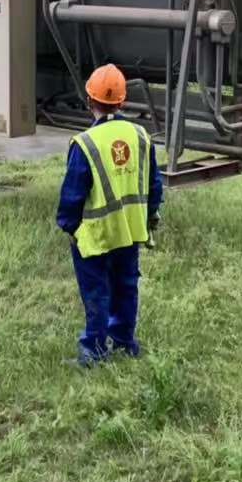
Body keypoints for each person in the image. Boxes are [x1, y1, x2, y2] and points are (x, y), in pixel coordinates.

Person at [57, 64, 163, 367]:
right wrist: (151, 214)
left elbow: (73, 192)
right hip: (129, 230)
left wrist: (69, 226)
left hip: (95, 236)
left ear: (90, 101)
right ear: (122, 101)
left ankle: (93, 350)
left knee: (97, 290)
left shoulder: (85, 143)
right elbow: (153, 182)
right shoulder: (141, 136)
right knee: (126, 285)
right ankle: (124, 341)